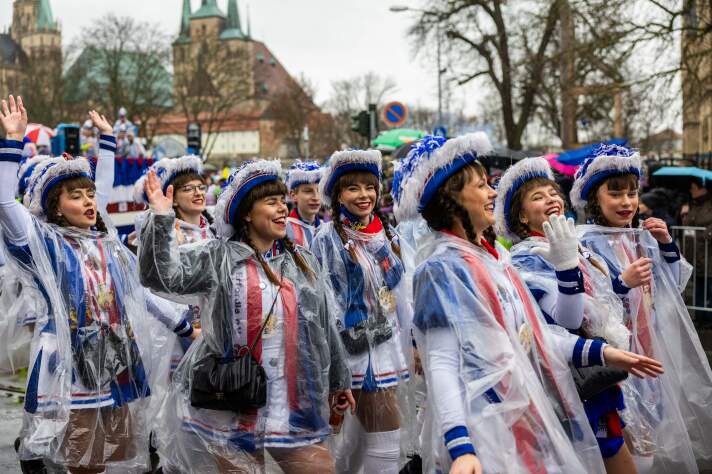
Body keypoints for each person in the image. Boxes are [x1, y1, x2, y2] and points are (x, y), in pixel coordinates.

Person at [396, 133, 663, 474]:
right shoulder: (441, 269)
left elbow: (531, 334)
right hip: (482, 428)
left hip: (521, 412)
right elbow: (443, 365)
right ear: (451, 198)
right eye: (481, 186)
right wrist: (460, 447)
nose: (492, 192)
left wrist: (604, 352)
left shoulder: (496, 257)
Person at [138, 159, 355, 473]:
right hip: (233, 403)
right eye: (271, 202)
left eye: (283, 201)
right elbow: (159, 276)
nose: (282, 209)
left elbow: (324, 323)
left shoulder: (300, 260)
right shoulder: (218, 256)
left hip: (292, 402)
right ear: (246, 214)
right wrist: (160, 218)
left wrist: (339, 380)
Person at [0, 96, 168, 473]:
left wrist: (106, 142)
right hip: (69, 363)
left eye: (89, 194)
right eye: (75, 196)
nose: (90, 201)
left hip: (113, 355)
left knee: (112, 454)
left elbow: (102, 191)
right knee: (84, 460)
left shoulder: (100, 239)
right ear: (57, 207)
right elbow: (4, 205)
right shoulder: (43, 243)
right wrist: (12, 141)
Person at [572, 144, 712, 472]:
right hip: (617, 360)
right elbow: (589, 310)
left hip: (649, 349)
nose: (626, 202)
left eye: (632, 193)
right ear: (595, 197)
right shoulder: (586, 243)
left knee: (648, 431)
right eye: (615, 193)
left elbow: (670, 290)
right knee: (622, 435)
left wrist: (666, 244)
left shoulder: (638, 237)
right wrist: (621, 282)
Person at [496, 156, 640, 473]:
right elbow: (569, 320)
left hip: (596, 366)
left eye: (552, 193)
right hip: (567, 378)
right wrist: (565, 267)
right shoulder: (525, 259)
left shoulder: (571, 243)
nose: (550, 199)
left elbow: (604, 301)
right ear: (520, 216)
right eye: (537, 197)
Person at [311, 149, 415, 474]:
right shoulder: (325, 239)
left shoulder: (390, 234)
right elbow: (321, 303)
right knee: (376, 443)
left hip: (386, 348)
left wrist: (413, 343)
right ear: (338, 194)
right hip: (348, 353)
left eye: (369, 187)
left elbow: (403, 292)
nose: (364, 195)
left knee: (360, 445)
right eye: (353, 188)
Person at [681, 178, 712, 323]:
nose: (691, 190)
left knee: (709, 288)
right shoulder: (693, 204)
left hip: (708, 255)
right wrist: (684, 215)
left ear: (703, 188)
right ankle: (700, 317)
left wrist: (705, 234)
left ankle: (708, 318)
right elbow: (687, 227)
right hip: (696, 255)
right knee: (699, 287)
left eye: (694, 188)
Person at [285, 160, 323, 248]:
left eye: (319, 190)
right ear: (293, 195)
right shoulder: (284, 229)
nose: (316, 197)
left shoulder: (326, 228)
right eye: (308, 191)